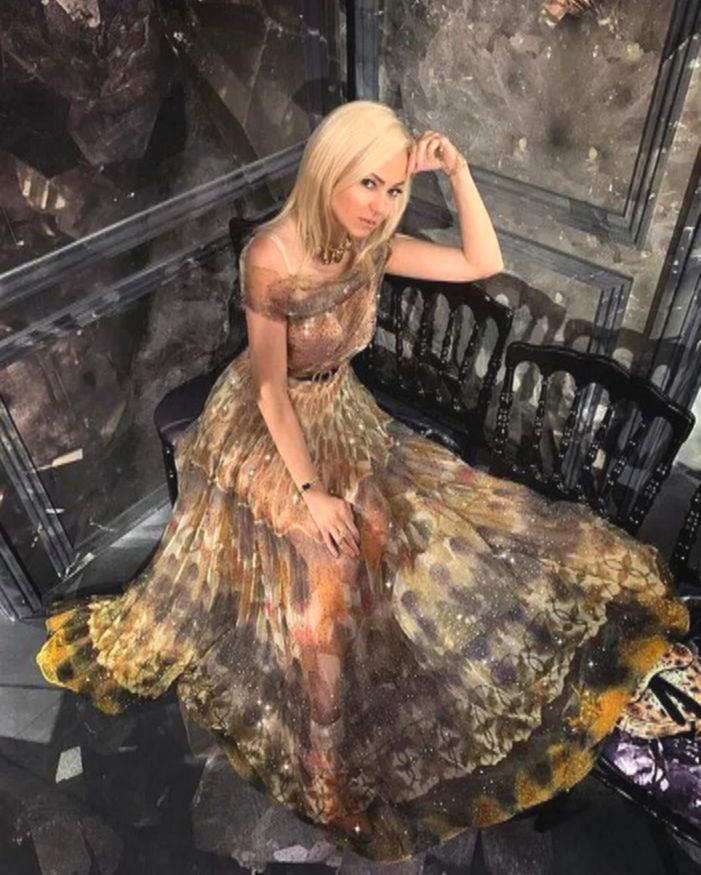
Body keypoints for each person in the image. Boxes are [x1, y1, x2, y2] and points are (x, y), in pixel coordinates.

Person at [35, 100, 700, 862]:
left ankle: (362, 673)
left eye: (392, 189)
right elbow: (268, 391)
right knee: (330, 570)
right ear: (329, 171)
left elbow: (480, 261)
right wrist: (309, 493)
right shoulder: (271, 254)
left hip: (339, 409)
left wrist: (457, 172)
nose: (379, 205)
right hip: (263, 425)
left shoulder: (371, 246)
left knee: (430, 529)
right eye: (367, 184)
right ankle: (324, 762)